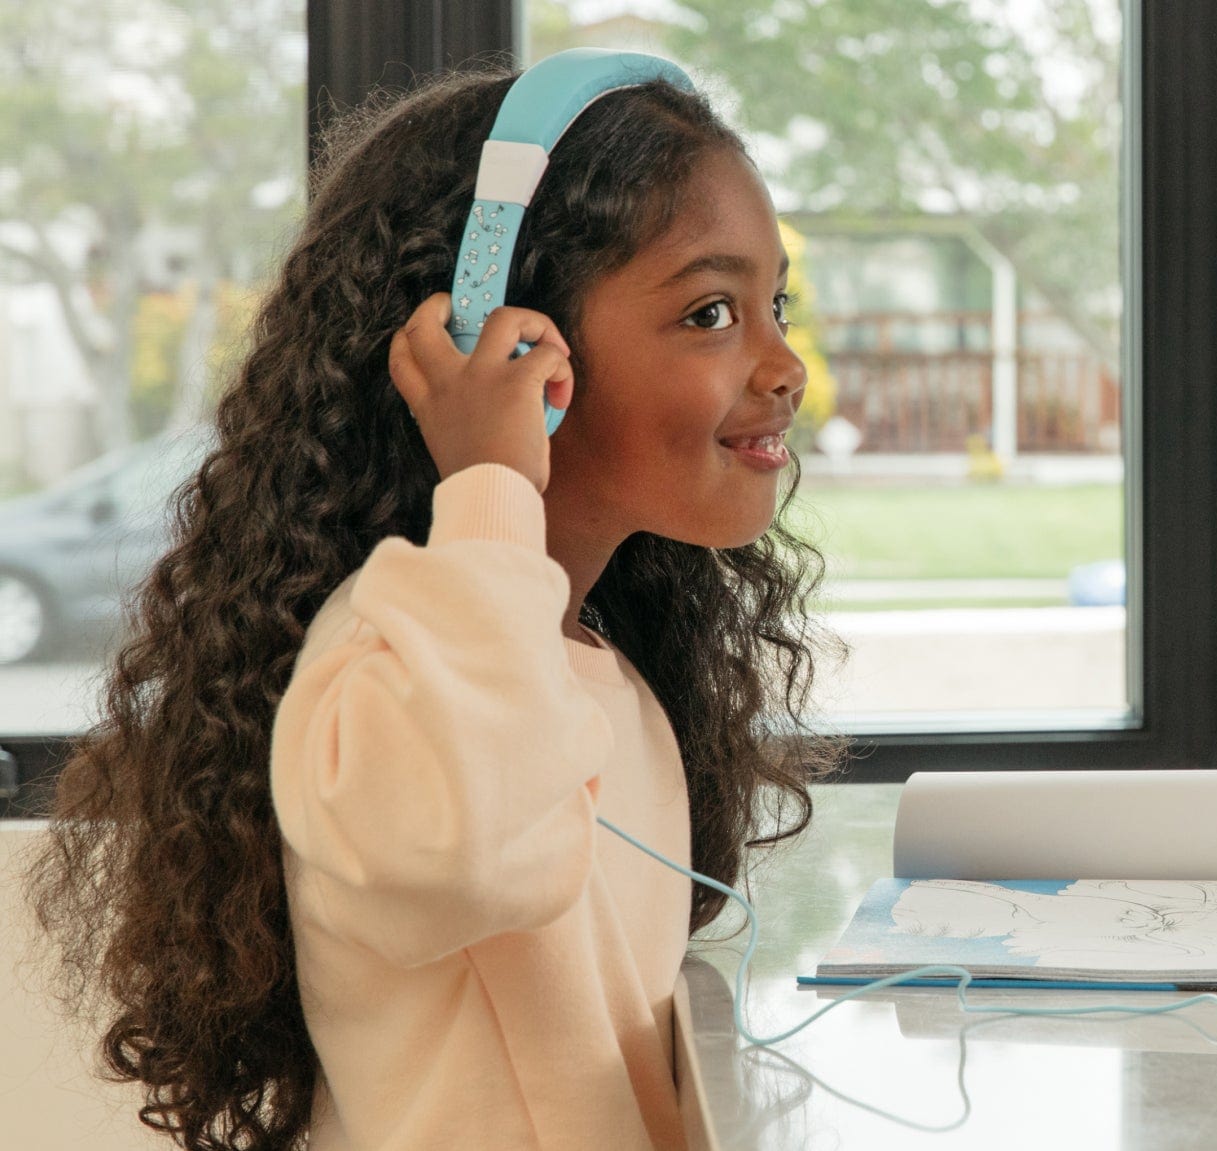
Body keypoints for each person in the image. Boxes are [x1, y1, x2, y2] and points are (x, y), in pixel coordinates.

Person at [23, 62, 839, 1151]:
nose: (782, 364)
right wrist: (492, 483)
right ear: (495, 338)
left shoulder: (584, 657)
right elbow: (476, 850)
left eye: (770, 305)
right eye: (709, 312)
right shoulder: (389, 649)